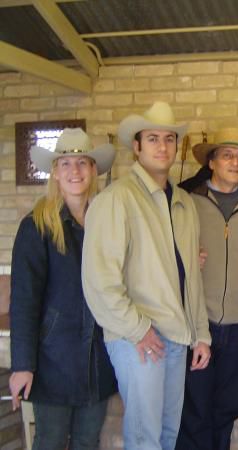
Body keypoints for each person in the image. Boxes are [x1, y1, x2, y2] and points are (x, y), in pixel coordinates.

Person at [81, 101, 212, 450]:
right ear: (136, 147)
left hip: (177, 336)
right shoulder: (116, 199)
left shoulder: (183, 202)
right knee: (144, 439)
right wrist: (138, 330)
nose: (162, 146)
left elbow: (191, 279)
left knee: (167, 436)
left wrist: (200, 333)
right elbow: (99, 281)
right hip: (138, 339)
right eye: (152, 138)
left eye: (169, 138)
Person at [9, 128, 117, 450]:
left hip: (98, 360)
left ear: (93, 170)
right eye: (65, 163)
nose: (75, 171)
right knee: (51, 442)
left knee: (87, 442)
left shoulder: (107, 222)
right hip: (53, 362)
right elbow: (24, 301)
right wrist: (22, 365)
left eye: (82, 162)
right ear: (55, 173)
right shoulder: (36, 226)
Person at [175, 128, 238, 450]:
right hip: (196, 322)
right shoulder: (185, 199)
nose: (236, 162)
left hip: (237, 325)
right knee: (194, 410)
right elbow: (160, 252)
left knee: (226, 409)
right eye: (227, 155)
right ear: (211, 162)